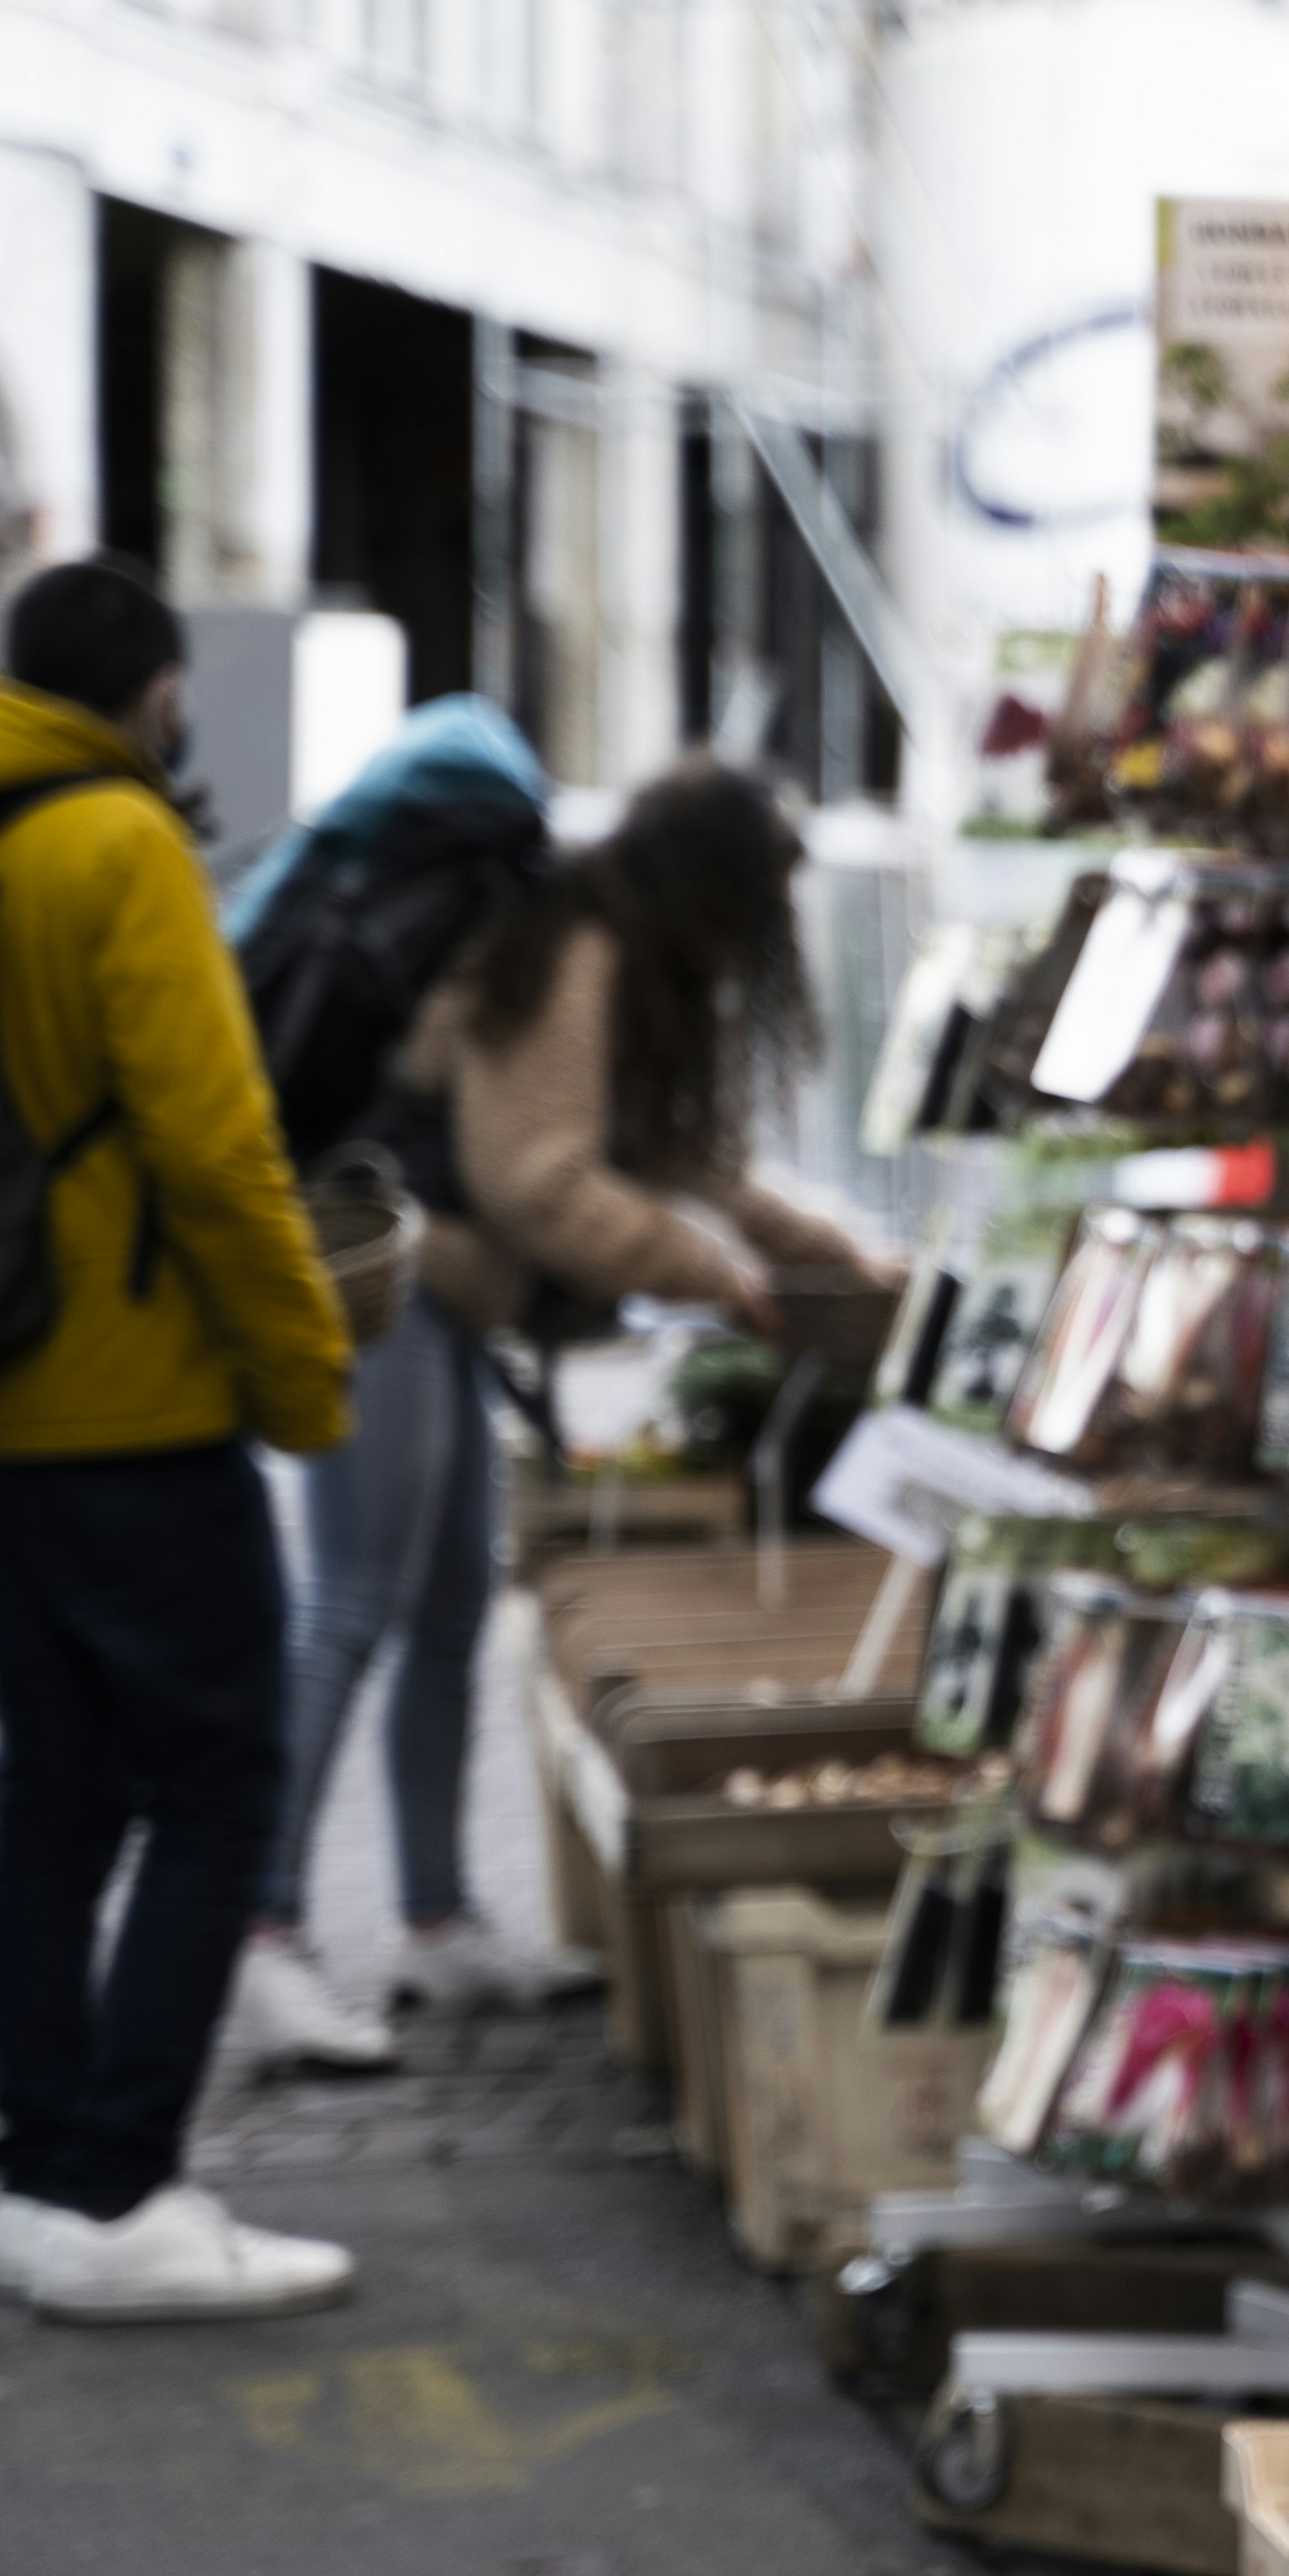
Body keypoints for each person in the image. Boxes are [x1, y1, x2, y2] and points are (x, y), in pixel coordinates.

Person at [0, 559, 362, 2322]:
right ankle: (124, 2185)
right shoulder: (120, 843)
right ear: (153, 688)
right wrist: (304, 1378)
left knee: (56, 1789)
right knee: (221, 1782)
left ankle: (43, 2179)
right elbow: (216, 1148)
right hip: (132, 1398)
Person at [231, 754, 888, 2067]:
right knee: (356, 1603)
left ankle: (433, 1924)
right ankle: (262, 1932)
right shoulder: (573, 952)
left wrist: (829, 1257)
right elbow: (536, 1182)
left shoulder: (612, 956)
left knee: (450, 1609)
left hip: (447, 1294)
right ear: (712, 890)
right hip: (395, 1284)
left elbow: (679, 1159)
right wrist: (719, 1277)